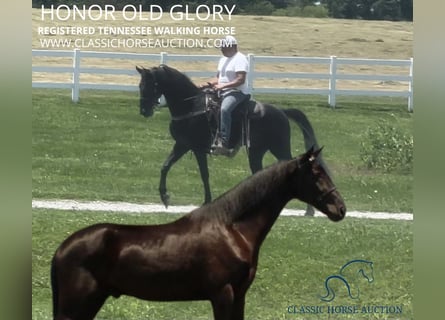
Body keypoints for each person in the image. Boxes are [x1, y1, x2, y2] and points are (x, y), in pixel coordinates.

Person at [204, 35, 249, 155]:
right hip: (222, 90)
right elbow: (219, 78)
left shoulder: (240, 59)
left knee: (225, 109)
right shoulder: (223, 59)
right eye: (221, 47)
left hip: (237, 92)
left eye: (224, 47)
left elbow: (240, 80)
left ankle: (224, 143)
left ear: (233, 47)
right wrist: (205, 85)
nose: (221, 50)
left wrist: (222, 86)